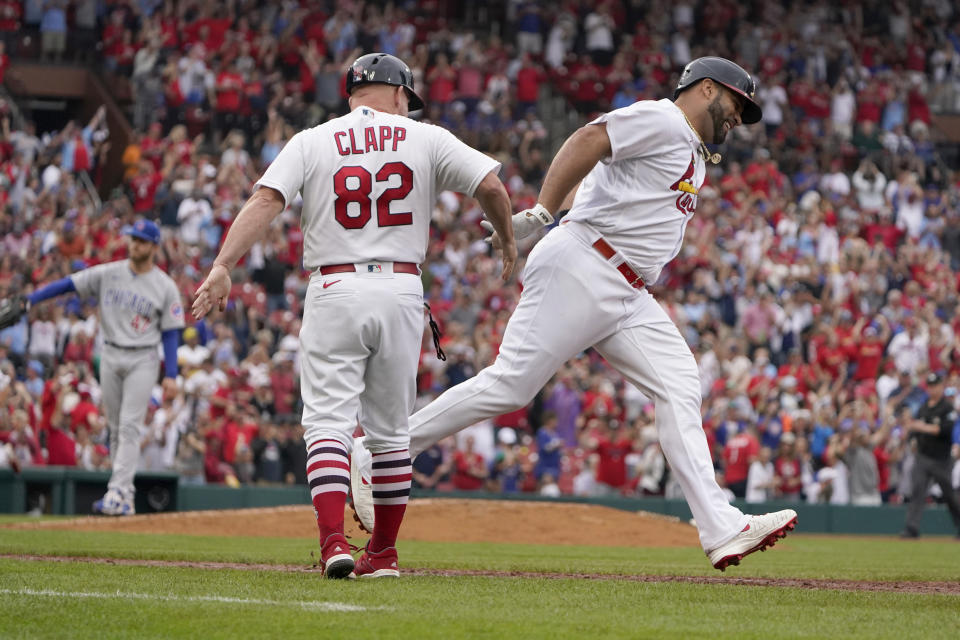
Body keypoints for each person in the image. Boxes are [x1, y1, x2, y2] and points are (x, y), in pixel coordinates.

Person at [352, 57, 797, 571]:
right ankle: (379, 451)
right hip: (586, 262)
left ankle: (720, 527)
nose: (740, 117)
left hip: (628, 291)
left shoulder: (693, 150)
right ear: (707, 89)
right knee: (510, 386)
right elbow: (590, 138)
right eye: (738, 103)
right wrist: (544, 211)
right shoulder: (664, 119)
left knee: (679, 384)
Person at [191, 52, 516, 579]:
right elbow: (493, 187)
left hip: (336, 284)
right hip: (402, 288)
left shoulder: (313, 139)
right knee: (390, 434)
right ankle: (383, 554)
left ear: (351, 95)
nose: (409, 107)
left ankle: (334, 542)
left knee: (327, 424)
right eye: (407, 98)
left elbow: (265, 201)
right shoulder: (427, 138)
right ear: (396, 93)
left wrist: (223, 265)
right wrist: (504, 236)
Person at [10, 219, 183, 514]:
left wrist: (171, 374)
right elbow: (69, 284)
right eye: (133, 239)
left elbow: (170, 332)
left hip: (143, 357)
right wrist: (31, 299)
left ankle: (117, 491)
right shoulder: (110, 273)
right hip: (110, 355)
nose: (134, 245)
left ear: (154, 246)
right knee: (116, 429)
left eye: (141, 241)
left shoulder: (165, 286)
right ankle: (124, 497)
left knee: (129, 426)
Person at [901, 373, 960, 539]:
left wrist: (922, 427)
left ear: (941, 386)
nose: (933, 389)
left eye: (935, 385)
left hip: (941, 459)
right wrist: (913, 439)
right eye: (930, 386)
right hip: (923, 456)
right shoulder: (923, 407)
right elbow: (914, 429)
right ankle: (911, 528)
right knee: (917, 492)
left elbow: (945, 430)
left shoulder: (946, 408)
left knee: (949, 495)